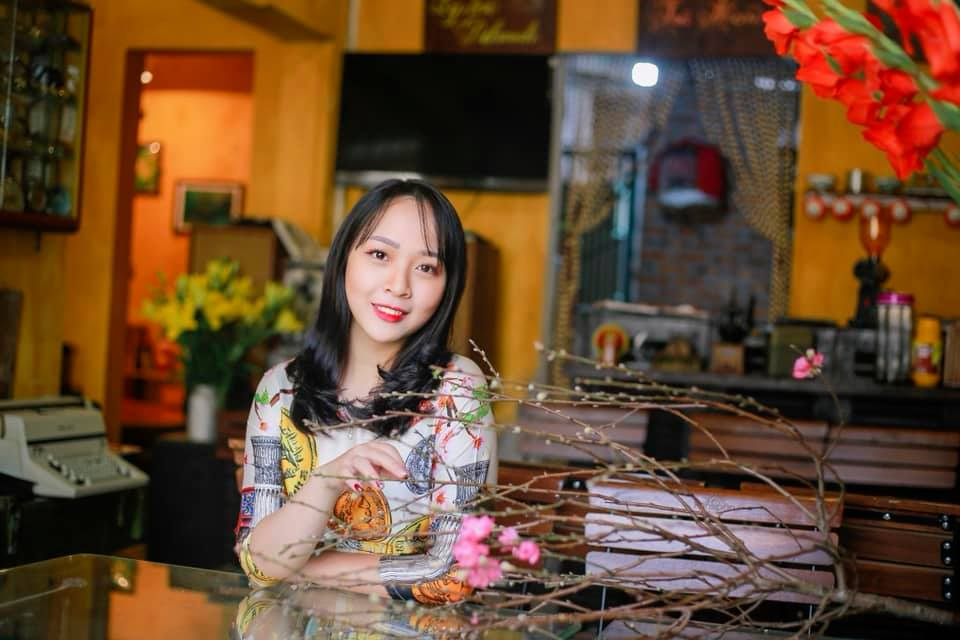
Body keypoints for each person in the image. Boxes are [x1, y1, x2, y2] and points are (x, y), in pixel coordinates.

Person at [234, 179, 497, 606]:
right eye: (379, 255)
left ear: (448, 286)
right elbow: (257, 561)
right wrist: (327, 481)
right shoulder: (279, 391)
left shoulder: (458, 393)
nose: (399, 285)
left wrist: (302, 567)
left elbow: (457, 573)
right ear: (343, 260)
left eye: (425, 267)